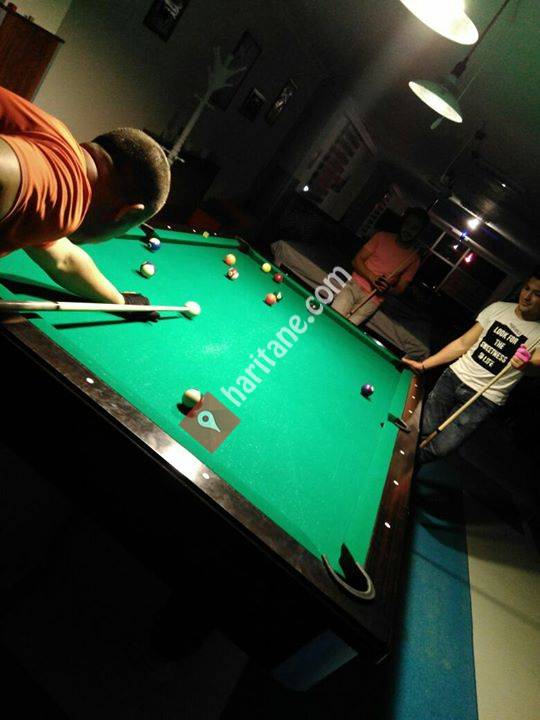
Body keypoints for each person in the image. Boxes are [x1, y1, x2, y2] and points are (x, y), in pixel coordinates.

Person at [0, 86, 170, 308]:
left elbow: (64, 259)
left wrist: (121, 301)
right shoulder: (63, 189)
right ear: (125, 213)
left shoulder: (59, 140)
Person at [402, 270, 540, 464]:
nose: (527, 296)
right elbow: (463, 343)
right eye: (526, 288)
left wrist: (526, 364)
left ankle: (405, 468)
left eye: (537, 294)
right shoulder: (499, 308)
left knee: (439, 448)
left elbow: (536, 368)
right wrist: (424, 365)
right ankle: (394, 466)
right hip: (453, 377)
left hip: (485, 398)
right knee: (420, 429)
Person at [331, 207, 430, 325]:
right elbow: (356, 261)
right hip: (353, 286)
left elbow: (400, 289)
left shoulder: (413, 259)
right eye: (407, 224)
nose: (408, 230)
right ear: (402, 222)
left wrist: (388, 289)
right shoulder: (382, 237)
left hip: (372, 300)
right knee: (333, 320)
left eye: (415, 228)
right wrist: (373, 278)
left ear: (420, 232)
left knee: (345, 329)